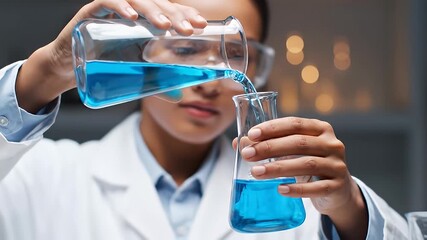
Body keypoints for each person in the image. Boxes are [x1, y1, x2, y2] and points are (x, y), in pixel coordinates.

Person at [0, 0, 408, 239]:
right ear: (139, 52)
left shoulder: (299, 205)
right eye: (185, 50)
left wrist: (353, 212)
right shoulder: (43, 178)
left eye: (233, 55)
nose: (211, 81)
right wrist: (42, 75)